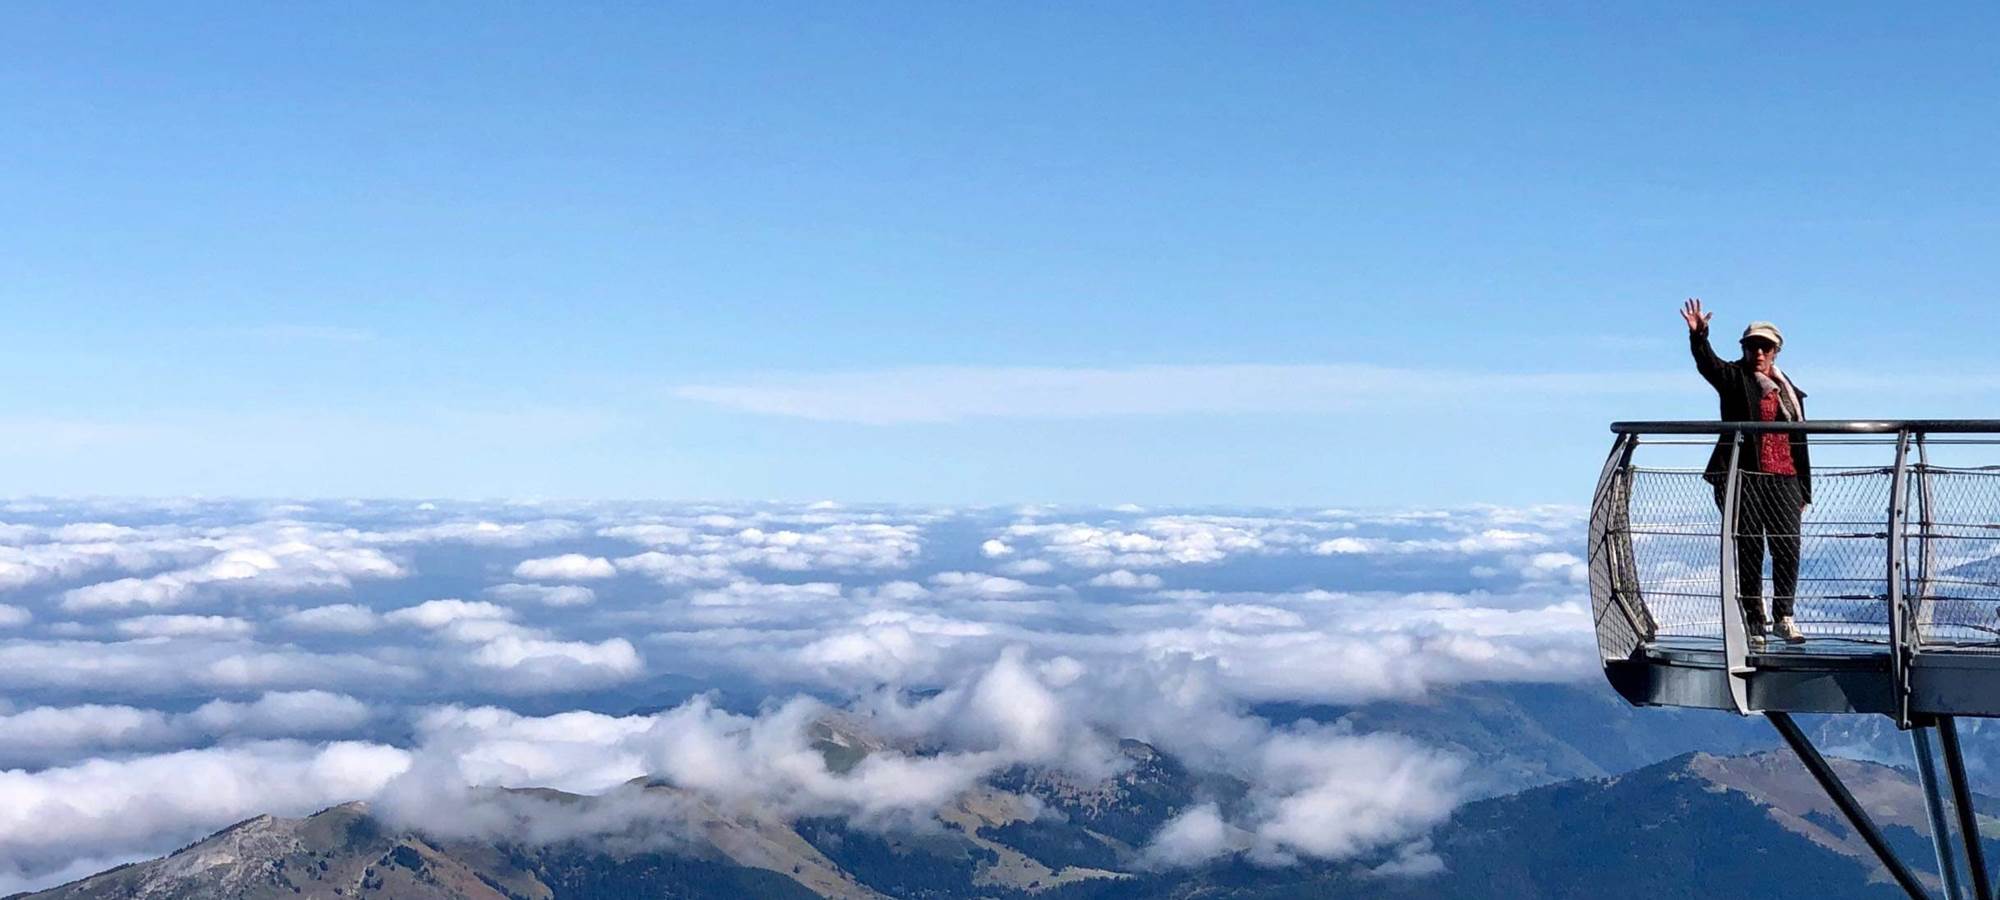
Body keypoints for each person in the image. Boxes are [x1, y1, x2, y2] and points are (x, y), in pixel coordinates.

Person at [1681, 298, 1812, 644]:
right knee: (1750, 547)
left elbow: (1801, 444)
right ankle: (1755, 623)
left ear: (1775, 351)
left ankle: (1784, 615)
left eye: (1765, 347)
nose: (1758, 353)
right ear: (1744, 348)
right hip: (1744, 478)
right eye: (1753, 346)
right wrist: (1700, 335)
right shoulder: (1735, 378)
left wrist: (1805, 490)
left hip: (1785, 477)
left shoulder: (1789, 392)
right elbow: (1707, 365)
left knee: (1787, 546)